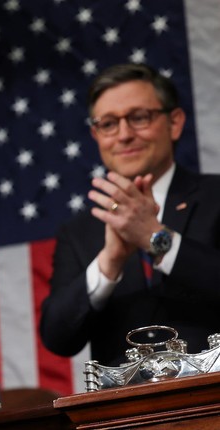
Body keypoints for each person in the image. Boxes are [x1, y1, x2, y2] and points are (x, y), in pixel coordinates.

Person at [40, 63, 220, 367]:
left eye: (138, 118)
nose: (123, 135)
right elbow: (58, 338)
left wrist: (156, 239)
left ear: (174, 123)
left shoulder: (216, 196)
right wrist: (109, 261)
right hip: (124, 409)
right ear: (96, 135)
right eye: (108, 124)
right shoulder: (80, 231)